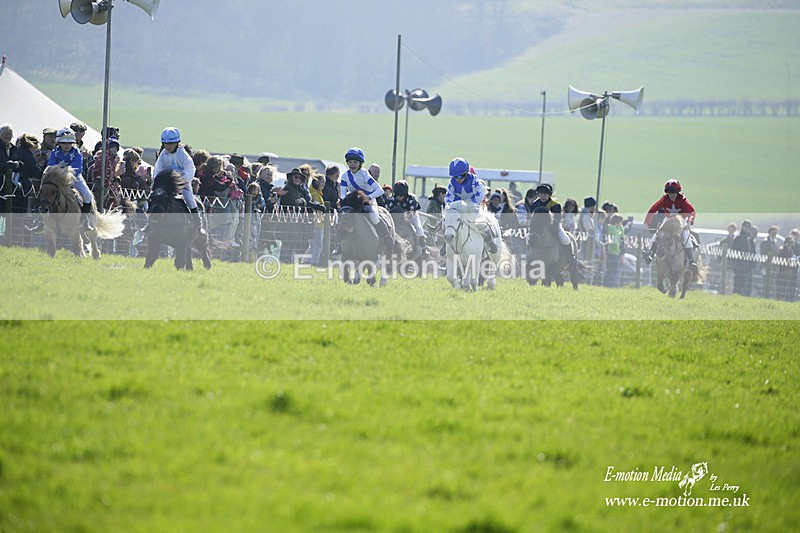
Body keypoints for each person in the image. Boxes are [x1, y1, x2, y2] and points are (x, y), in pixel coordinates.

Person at [152, 127, 204, 233]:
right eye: (165, 143)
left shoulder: (183, 156)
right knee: (155, 196)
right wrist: (158, 182)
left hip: (182, 184)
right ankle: (150, 224)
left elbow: (190, 170)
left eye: (170, 143)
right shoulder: (163, 155)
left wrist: (179, 183)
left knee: (189, 199)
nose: (167, 146)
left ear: (177, 143)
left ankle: (198, 223)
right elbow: (158, 169)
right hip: (166, 185)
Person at [338, 147, 391, 248]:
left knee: (374, 217)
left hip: (369, 202)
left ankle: (386, 238)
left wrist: (368, 197)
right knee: (340, 217)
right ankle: (338, 241)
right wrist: (342, 201)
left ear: (360, 163)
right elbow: (343, 194)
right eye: (350, 162)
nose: (352, 164)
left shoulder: (365, 174)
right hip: (353, 202)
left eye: (355, 162)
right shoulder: (345, 176)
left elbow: (379, 190)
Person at [443, 157, 497, 253]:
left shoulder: (474, 180)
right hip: (458, 208)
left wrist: (472, 205)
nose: (458, 179)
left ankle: (491, 242)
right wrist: (451, 206)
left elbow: (480, 194)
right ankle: (445, 244)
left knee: (482, 223)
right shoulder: (452, 182)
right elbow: (448, 196)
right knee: (447, 221)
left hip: (472, 207)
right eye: (455, 177)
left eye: (460, 176)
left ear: (466, 173)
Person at [642, 179, 698, 271]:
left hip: (682, 220)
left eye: (674, 192)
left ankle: (691, 260)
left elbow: (692, 211)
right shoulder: (664, 200)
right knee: (657, 234)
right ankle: (651, 254)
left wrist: (690, 221)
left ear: (678, 192)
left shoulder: (683, 200)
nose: (671, 195)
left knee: (685, 235)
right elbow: (652, 210)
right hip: (669, 220)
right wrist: (646, 222)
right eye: (669, 192)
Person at [47, 128, 95, 231]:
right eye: (64, 143)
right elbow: (51, 165)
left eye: (69, 143)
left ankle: (84, 219)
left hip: (74, 178)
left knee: (87, 195)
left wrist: (65, 174)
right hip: (57, 178)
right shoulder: (54, 152)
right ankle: (39, 219)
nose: (67, 145)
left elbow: (77, 169)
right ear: (59, 142)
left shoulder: (77, 153)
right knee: (44, 191)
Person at [529, 183, 578, 266]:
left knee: (565, 238)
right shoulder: (535, 204)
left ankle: (570, 257)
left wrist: (552, 225)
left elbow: (557, 218)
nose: (542, 196)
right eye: (540, 194)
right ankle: (529, 257)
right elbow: (532, 216)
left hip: (553, 225)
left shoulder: (555, 204)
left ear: (549, 195)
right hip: (538, 227)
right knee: (528, 238)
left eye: (545, 194)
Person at [386, 180, 427, 257]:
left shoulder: (411, 199)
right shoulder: (392, 199)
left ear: (405, 193)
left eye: (401, 195)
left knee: (418, 228)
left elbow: (412, 213)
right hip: (397, 217)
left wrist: (405, 219)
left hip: (411, 215)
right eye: (397, 195)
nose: (398, 197)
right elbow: (389, 211)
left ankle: (423, 247)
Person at [731, 219, 755, 296]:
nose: (747, 228)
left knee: (744, 282)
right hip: (739, 264)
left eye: (749, 227)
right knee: (738, 281)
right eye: (746, 226)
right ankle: (736, 294)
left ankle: (741, 295)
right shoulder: (738, 237)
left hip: (746, 264)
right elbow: (734, 250)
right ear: (742, 227)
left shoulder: (748, 238)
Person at [603, 214, 625, 288]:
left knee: (611, 269)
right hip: (613, 252)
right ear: (617, 222)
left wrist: (621, 229)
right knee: (613, 270)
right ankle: (608, 285)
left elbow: (621, 236)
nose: (621, 224)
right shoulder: (613, 229)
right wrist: (618, 250)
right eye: (620, 222)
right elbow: (616, 241)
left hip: (613, 252)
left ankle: (607, 284)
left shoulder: (614, 228)